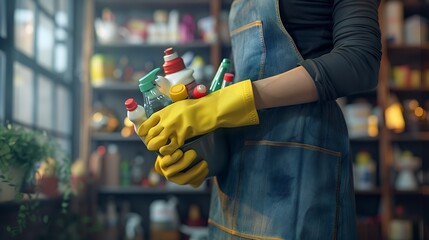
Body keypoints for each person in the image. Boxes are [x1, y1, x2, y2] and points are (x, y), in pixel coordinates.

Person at [138, 0, 382, 239]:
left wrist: (224, 103)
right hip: (234, 188)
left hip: (301, 170)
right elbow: (246, 72)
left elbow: (359, 61)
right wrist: (205, 153)